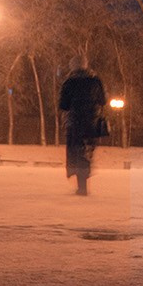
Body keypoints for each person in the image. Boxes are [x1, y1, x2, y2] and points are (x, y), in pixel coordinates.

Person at [56, 63, 108, 197]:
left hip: (75, 123)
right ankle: (83, 182)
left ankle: (81, 185)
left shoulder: (69, 82)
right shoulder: (95, 81)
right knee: (87, 152)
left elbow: (63, 104)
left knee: (76, 152)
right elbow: (103, 100)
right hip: (91, 122)